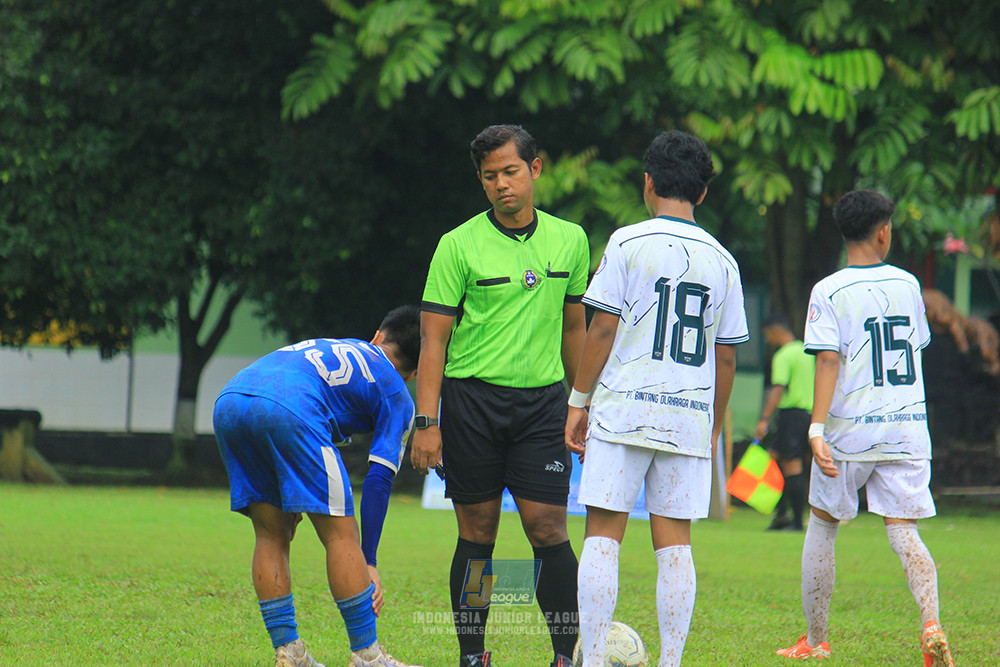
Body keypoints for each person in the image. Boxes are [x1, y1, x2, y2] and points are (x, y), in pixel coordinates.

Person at [565, 130, 749, 667]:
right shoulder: (724, 261)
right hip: (688, 416)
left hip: (623, 409)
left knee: (603, 535)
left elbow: (601, 330)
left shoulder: (626, 242)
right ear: (703, 193)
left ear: (648, 182)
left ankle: (594, 659)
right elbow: (727, 358)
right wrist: (712, 428)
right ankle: (671, 662)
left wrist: (578, 401)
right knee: (675, 545)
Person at [410, 124, 590, 667]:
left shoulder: (571, 239)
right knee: (478, 532)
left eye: (510, 172)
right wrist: (427, 421)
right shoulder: (457, 244)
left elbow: (574, 330)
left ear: (534, 169)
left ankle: (566, 655)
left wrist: (582, 403)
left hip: (543, 406)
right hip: (471, 406)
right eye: (490, 177)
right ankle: (473, 657)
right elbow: (433, 340)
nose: (501, 185)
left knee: (547, 527)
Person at [776, 190, 955, 666]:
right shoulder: (909, 285)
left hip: (848, 430)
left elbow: (829, 360)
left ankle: (816, 640)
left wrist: (816, 428)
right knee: (904, 532)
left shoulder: (828, 290)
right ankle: (931, 623)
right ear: (883, 231)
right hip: (906, 428)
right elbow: (914, 350)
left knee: (823, 526)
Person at [213, 306, 424, 667]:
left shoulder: (344, 346)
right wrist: (369, 560)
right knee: (341, 536)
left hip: (231, 400)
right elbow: (378, 478)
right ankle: (368, 656)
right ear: (417, 370)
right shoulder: (398, 394)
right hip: (293, 410)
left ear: (377, 336)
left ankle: (289, 650)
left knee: (269, 535)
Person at [754, 312, 815, 531]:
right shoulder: (808, 351)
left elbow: (778, 388)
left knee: (792, 464)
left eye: (766, 335)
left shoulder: (783, 355)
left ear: (774, 331)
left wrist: (763, 419)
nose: (767, 340)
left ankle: (797, 522)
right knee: (775, 457)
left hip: (792, 414)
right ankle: (781, 514)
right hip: (809, 413)